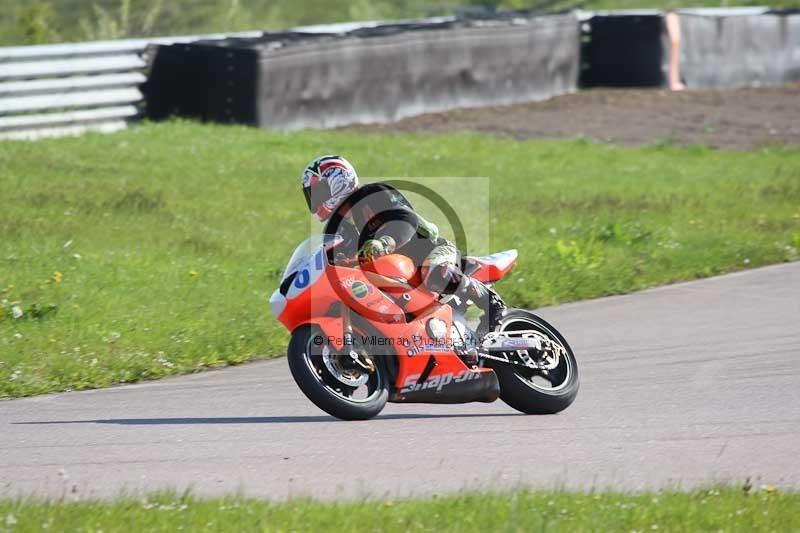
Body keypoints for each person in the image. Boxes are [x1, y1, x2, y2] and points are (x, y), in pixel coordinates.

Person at [300, 154, 506, 335]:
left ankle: (489, 301)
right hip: (393, 273)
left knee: (435, 273)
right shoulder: (338, 228)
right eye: (311, 195)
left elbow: (405, 220)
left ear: (339, 181)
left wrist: (384, 242)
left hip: (430, 251)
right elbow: (334, 259)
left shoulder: (373, 195)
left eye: (319, 192)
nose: (316, 200)